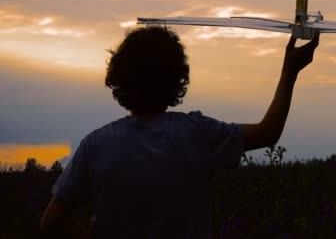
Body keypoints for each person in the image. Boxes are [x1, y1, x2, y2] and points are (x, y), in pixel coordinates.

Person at [40, 26, 320, 237]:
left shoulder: (95, 145)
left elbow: (50, 224)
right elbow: (268, 133)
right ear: (177, 77)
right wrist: (290, 71)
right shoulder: (196, 134)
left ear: (120, 78)